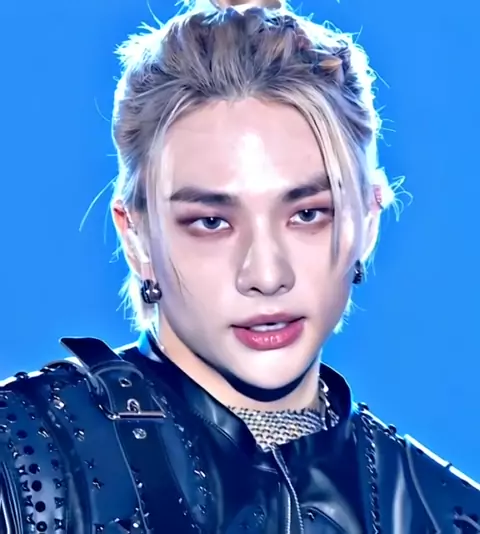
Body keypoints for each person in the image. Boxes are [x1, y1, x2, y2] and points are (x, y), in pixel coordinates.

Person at [1, 0, 479, 532]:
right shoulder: (21, 462)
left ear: (367, 220)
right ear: (135, 237)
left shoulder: (450, 516)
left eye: (307, 214)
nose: (267, 276)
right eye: (211, 222)